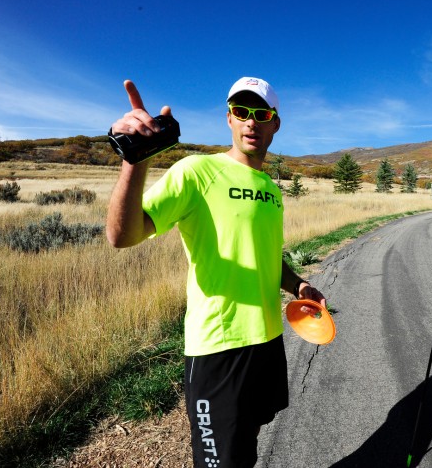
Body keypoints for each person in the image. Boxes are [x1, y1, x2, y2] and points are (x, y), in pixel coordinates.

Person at [106, 77, 327, 468]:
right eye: (241, 113)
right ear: (228, 119)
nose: (250, 123)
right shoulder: (196, 172)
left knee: (246, 446)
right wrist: (134, 160)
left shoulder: (270, 188)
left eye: (261, 114)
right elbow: (122, 236)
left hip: (268, 339)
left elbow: (266, 255)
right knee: (220, 460)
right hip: (218, 348)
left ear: (276, 123)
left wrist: (299, 284)